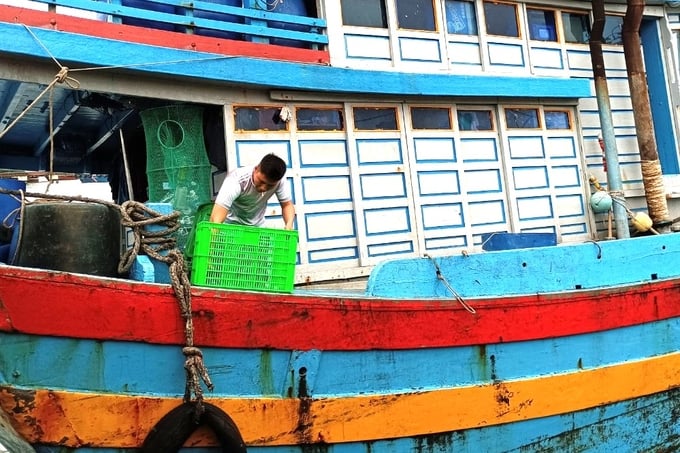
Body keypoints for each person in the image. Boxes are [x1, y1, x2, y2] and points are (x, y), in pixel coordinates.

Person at [210, 153, 295, 230]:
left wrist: (289, 225)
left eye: (270, 185)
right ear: (256, 169)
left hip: (257, 226)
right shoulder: (237, 180)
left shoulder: (279, 182)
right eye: (261, 181)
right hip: (230, 225)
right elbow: (216, 219)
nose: (264, 188)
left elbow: (287, 205)